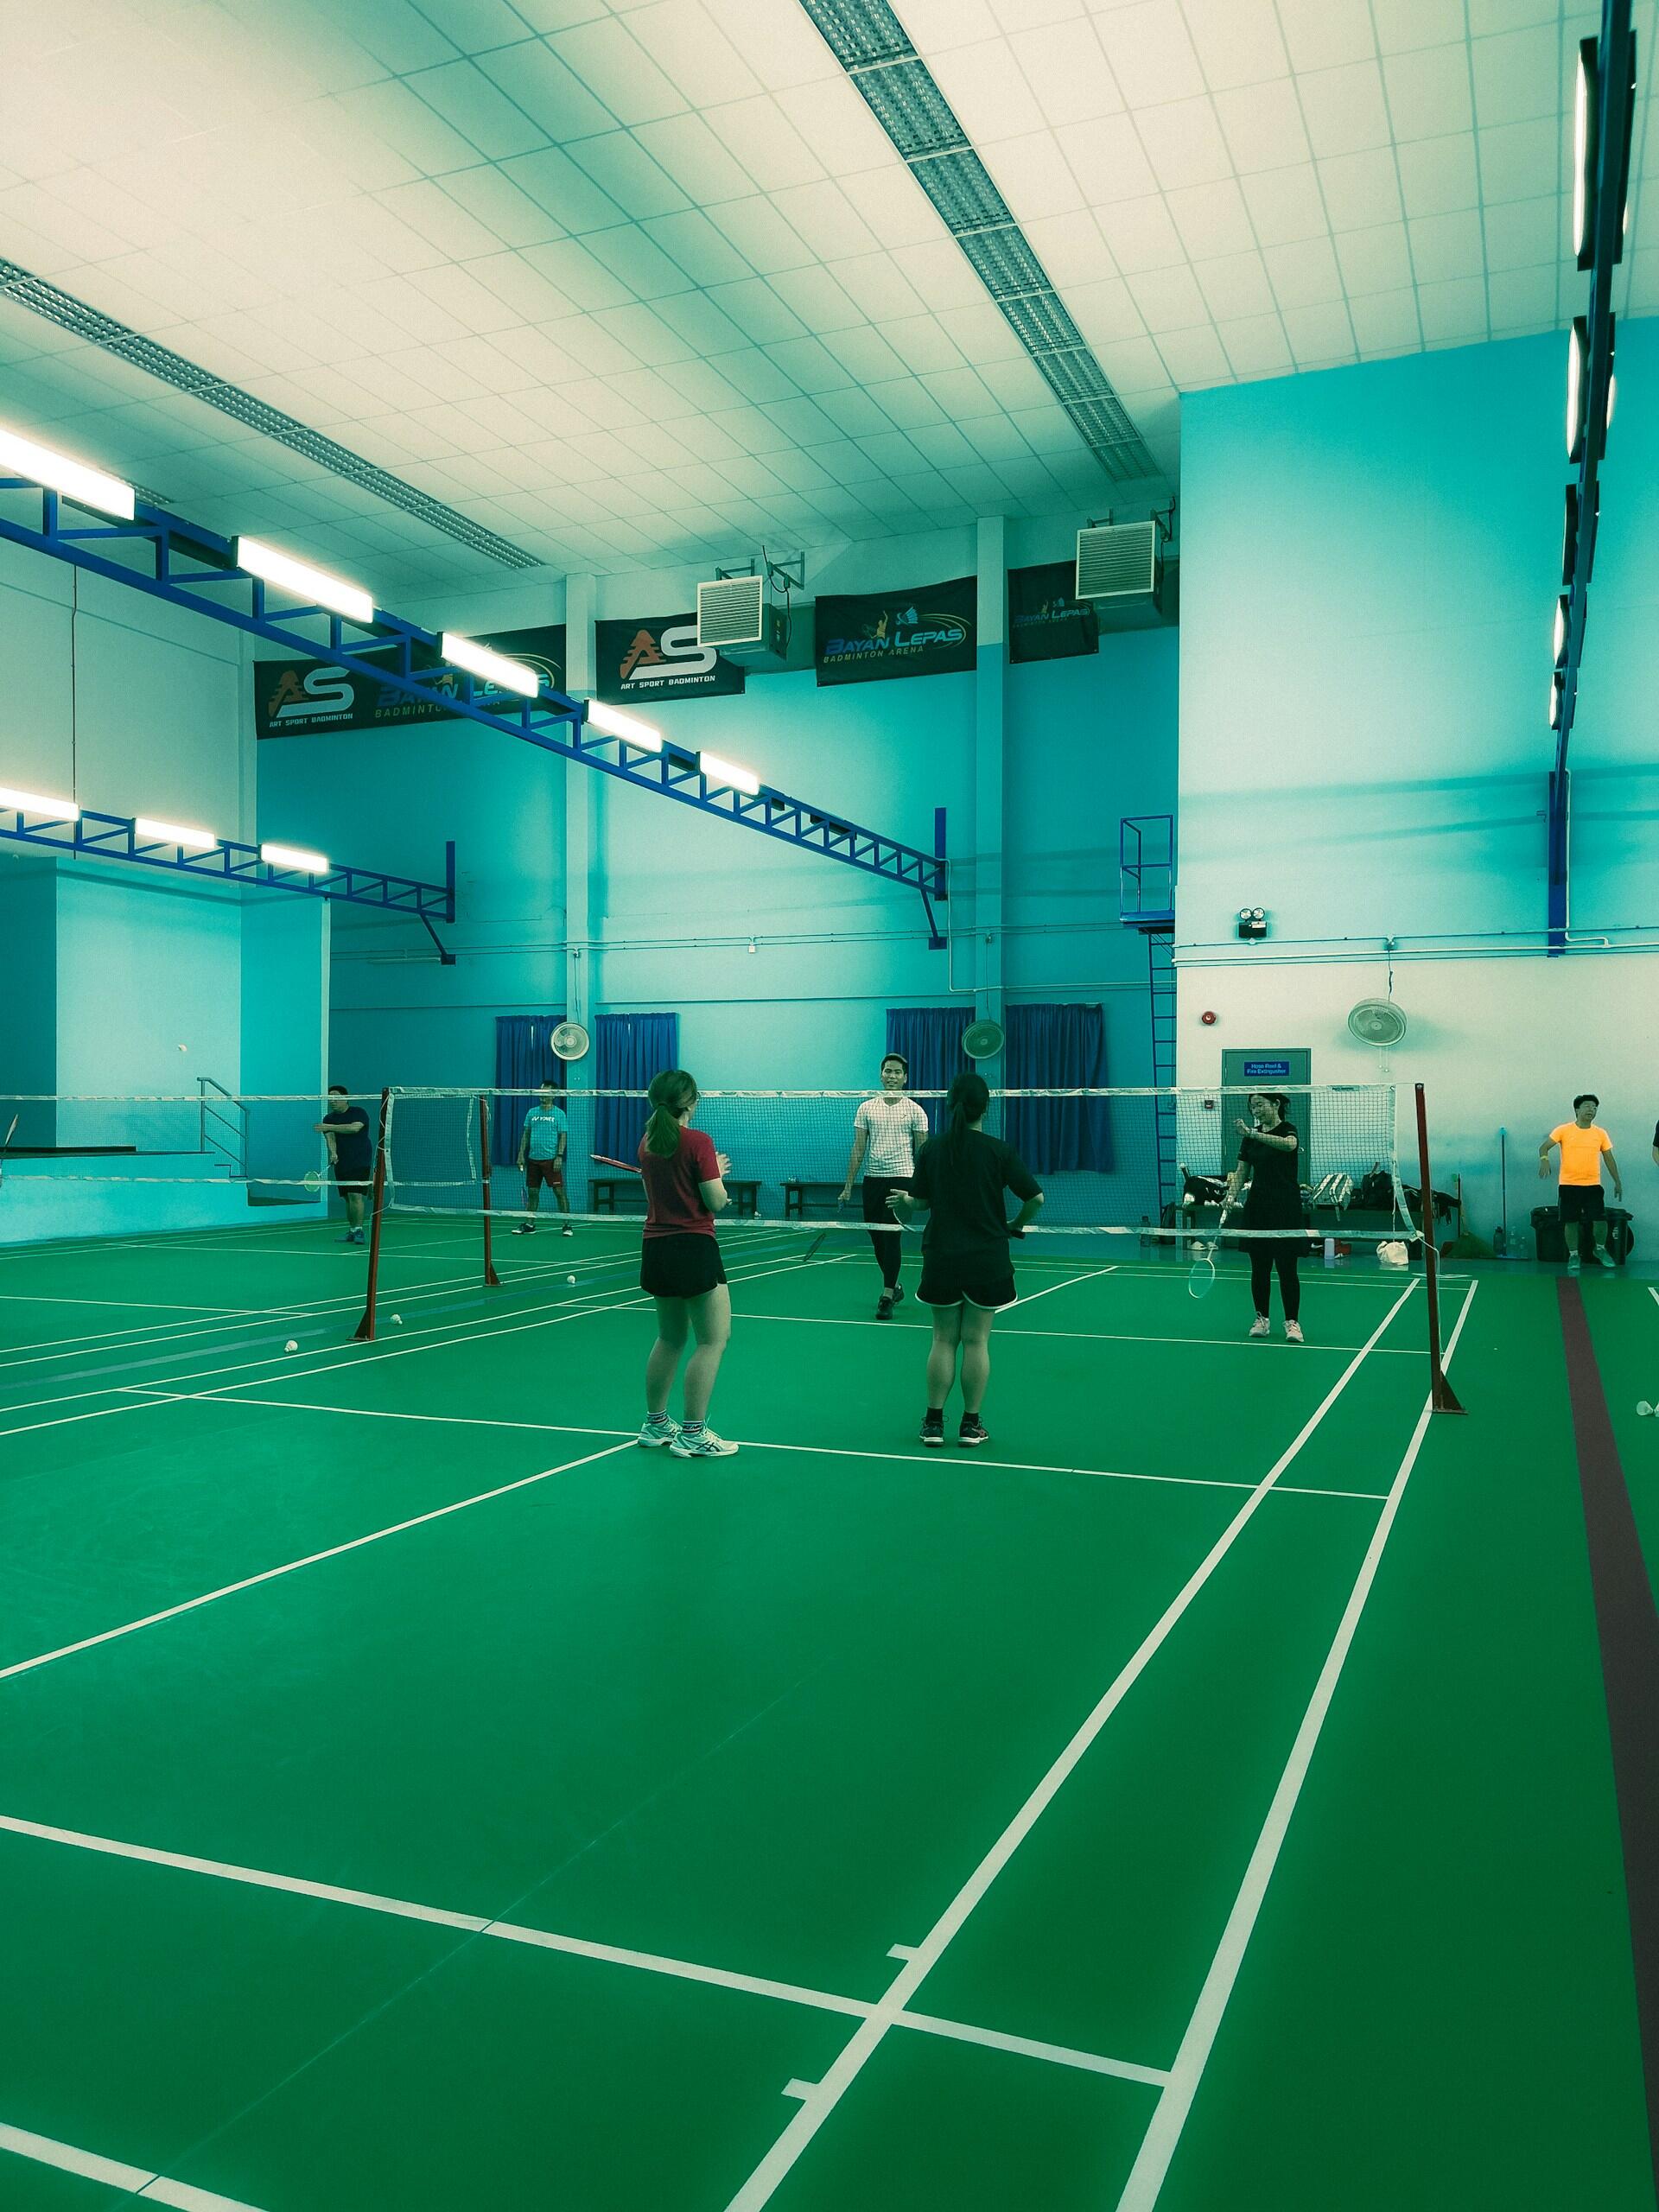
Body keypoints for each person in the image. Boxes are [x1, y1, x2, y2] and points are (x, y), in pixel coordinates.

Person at [888, 1071, 1043, 1448]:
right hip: (987, 1258)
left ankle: (933, 1423)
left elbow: (920, 1203)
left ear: (949, 1105)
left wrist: (905, 1202)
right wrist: (1012, 1225)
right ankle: (971, 1426)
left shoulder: (932, 1150)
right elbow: (1035, 1199)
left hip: (942, 1256)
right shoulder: (999, 1151)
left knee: (943, 1339)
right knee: (976, 1341)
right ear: (985, 1109)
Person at [636, 1069, 738, 1459]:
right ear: (691, 1101)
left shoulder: (648, 1143)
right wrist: (718, 1174)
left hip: (657, 1249)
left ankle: (655, 1423)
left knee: (671, 1337)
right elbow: (714, 1201)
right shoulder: (698, 1142)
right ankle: (693, 1433)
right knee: (713, 1340)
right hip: (694, 1247)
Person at [839, 1052, 931, 1318]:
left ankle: (887, 1295)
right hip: (872, 1180)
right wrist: (848, 1186)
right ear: (881, 1075)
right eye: (888, 1071)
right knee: (876, 1235)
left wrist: (920, 1188)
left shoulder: (915, 1110)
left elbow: (923, 1152)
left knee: (891, 1235)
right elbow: (858, 1148)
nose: (892, 1076)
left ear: (905, 1078)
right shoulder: (866, 1108)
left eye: (897, 1072)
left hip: (901, 1179)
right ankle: (896, 1285)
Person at [1227, 1091, 1304, 1342]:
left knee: (1286, 1268)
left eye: (1259, 1104)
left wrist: (1252, 1133)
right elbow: (1242, 1170)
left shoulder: (1287, 1130)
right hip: (1258, 1207)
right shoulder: (1250, 1140)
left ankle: (1292, 1323)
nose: (1255, 1110)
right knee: (1259, 1267)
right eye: (1252, 1106)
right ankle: (1261, 1319)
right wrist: (1231, 1195)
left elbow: (1289, 1146)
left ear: (1276, 1103)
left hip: (1286, 1208)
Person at [1541, 1093, 1621, 1269]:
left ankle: (1599, 1249)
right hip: (1569, 1185)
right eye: (1587, 1106)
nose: (1591, 1110)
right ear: (1577, 1109)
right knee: (1571, 1221)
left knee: (1600, 1220)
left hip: (1592, 1186)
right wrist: (1544, 1159)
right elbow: (1544, 1147)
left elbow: (1609, 1159)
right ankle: (1574, 1255)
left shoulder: (1600, 1134)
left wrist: (1617, 1182)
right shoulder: (1563, 1130)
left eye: (1594, 1107)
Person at [515, 1079, 573, 1236]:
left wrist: (559, 1156)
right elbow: (526, 1135)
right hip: (533, 1160)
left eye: (546, 1093)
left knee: (559, 1193)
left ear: (553, 1095)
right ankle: (530, 1224)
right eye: (541, 1092)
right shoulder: (532, 1112)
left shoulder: (559, 1114)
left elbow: (563, 1137)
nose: (542, 1095)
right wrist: (521, 1154)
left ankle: (567, 1224)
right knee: (533, 1192)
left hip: (551, 1160)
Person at [315, 1084, 372, 1243]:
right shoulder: (329, 1118)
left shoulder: (358, 1112)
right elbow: (330, 1138)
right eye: (330, 1098)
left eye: (336, 1097)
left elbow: (354, 1128)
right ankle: (352, 1230)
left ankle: (359, 1230)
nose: (332, 1101)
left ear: (345, 1098)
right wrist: (333, 1153)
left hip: (360, 1160)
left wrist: (329, 1127)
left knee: (355, 1195)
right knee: (347, 1197)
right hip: (342, 1162)